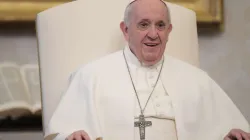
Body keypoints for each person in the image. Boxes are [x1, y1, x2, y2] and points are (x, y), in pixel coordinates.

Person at [45, 0, 250, 139]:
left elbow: (225, 130)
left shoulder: (198, 80)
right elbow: (63, 133)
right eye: (143, 25)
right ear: (126, 30)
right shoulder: (90, 77)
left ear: (169, 31)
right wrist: (69, 136)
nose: (153, 34)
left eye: (160, 25)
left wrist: (229, 136)